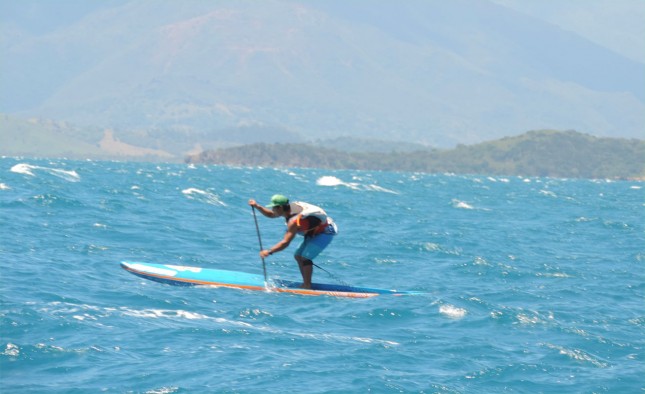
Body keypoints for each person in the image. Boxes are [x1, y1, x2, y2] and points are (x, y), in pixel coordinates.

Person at [248, 194, 338, 289]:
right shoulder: (288, 210)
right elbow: (271, 215)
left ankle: (307, 285)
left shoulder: (294, 221)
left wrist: (269, 251)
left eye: (273, 208)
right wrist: (257, 206)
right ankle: (306, 283)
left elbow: (285, 242)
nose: (272, 210)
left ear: (280, 208)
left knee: (305, 257)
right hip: (313, 233)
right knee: (298, 256)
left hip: (325, 233)